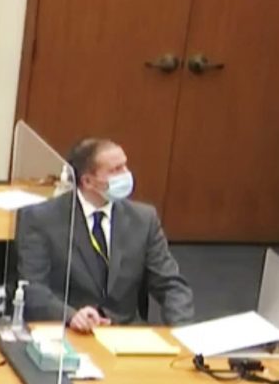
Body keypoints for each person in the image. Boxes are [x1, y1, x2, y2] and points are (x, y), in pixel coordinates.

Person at [16, 137, 194, 329]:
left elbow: (171, 285)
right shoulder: (41, 219)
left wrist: (182, 332)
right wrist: (70, 315)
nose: (126, 175)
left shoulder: (144, 219)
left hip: (125, 332)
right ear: (87, 181)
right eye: (116, 170)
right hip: (69, 331)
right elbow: (32, 288)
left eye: (125, 166)